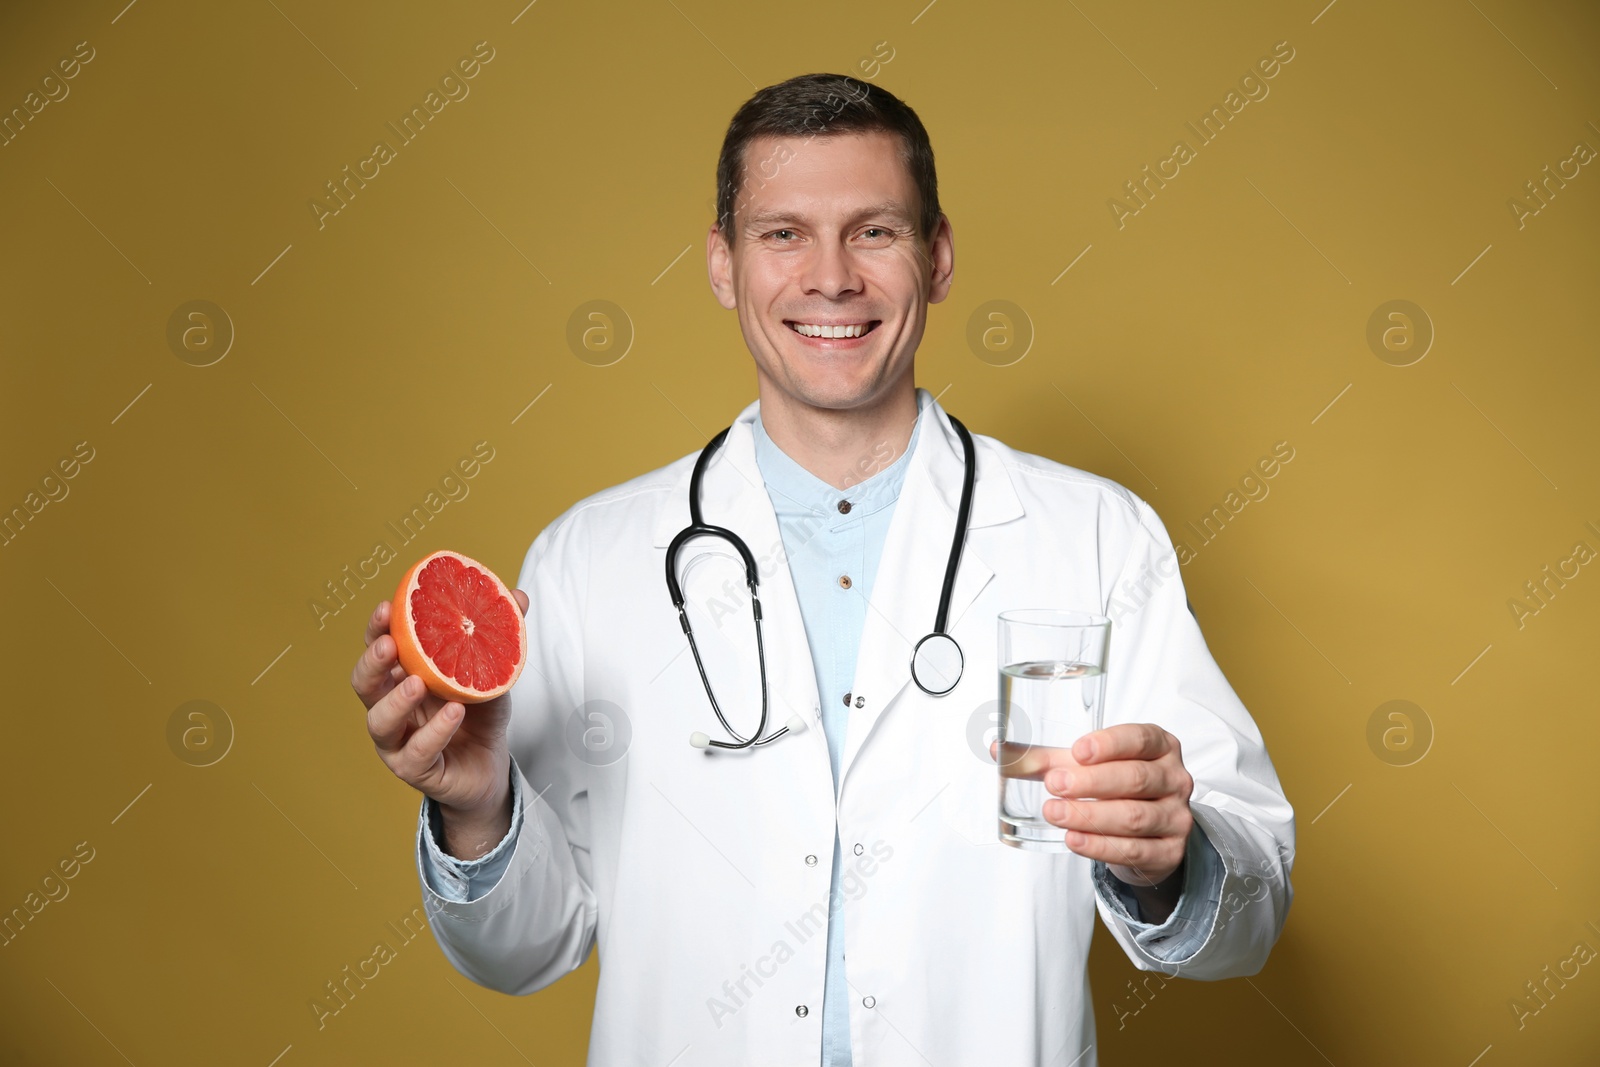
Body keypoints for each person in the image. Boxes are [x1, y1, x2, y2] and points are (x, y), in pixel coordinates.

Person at [350, 72, 1294, 1067]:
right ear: (722, 263)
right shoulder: (593, 556)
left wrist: (1169, 860)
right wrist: (476, 807)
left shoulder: (1097, 537)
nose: (831, 277)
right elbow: (524, 947)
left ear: (936, 259)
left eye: (874, 231)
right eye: (783, 233)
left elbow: (1250, 910)